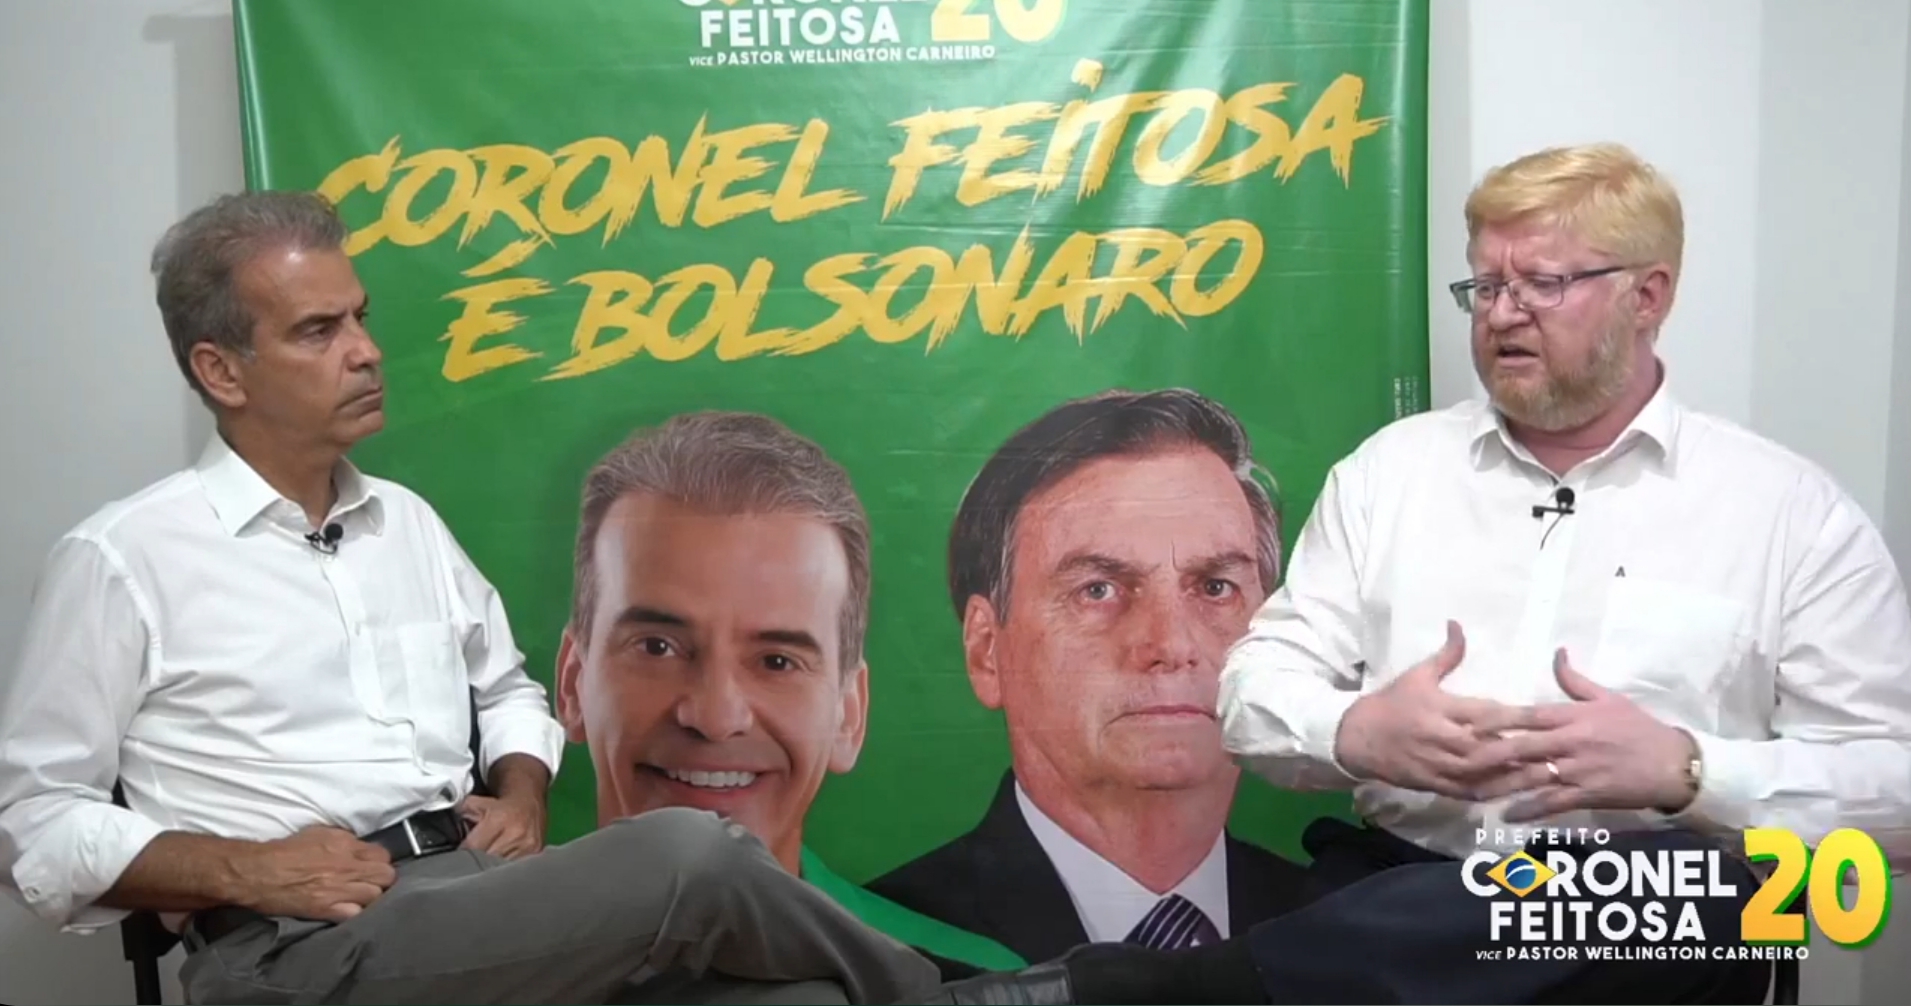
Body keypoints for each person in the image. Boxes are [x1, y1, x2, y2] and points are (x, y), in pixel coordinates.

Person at [917, 143, 1869, 1004]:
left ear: (1648, 295)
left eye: (1541, 284)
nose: (1502, 314)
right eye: (1484, 286)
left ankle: (1166, 991)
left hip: (1639, 932)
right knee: (1387, 906)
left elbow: (1894, 794)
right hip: (1401, 898)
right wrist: (1360, 731)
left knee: (1701, 888)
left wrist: (1686, 770)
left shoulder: (1785, 510)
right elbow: (1249, 693)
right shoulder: (1390, 474)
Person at [0, 190, 943, 1006]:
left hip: (468, 892)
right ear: (220, 370)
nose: (367, 353)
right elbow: (29, 823)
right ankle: (956, 996)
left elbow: (506, 692)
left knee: (802, 997)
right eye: (319, 332)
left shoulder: (405, 522)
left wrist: (523, 793)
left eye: (360, 318)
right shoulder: (123, 558)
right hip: (295, 945)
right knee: (687, 856)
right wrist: (241, 868)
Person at [555, 410, 1027, 976]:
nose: (716, 716)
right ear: (573, 682)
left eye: (777, 661)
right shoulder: (461, 965)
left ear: (848, 716)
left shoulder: (975, 983)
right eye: (657, 647)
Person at [870, 390, 1316, 966]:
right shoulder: (881, 957)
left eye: (1215, 588)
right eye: (1098, 590)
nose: (1171, 646)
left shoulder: (1351, 938)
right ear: (987, 651)